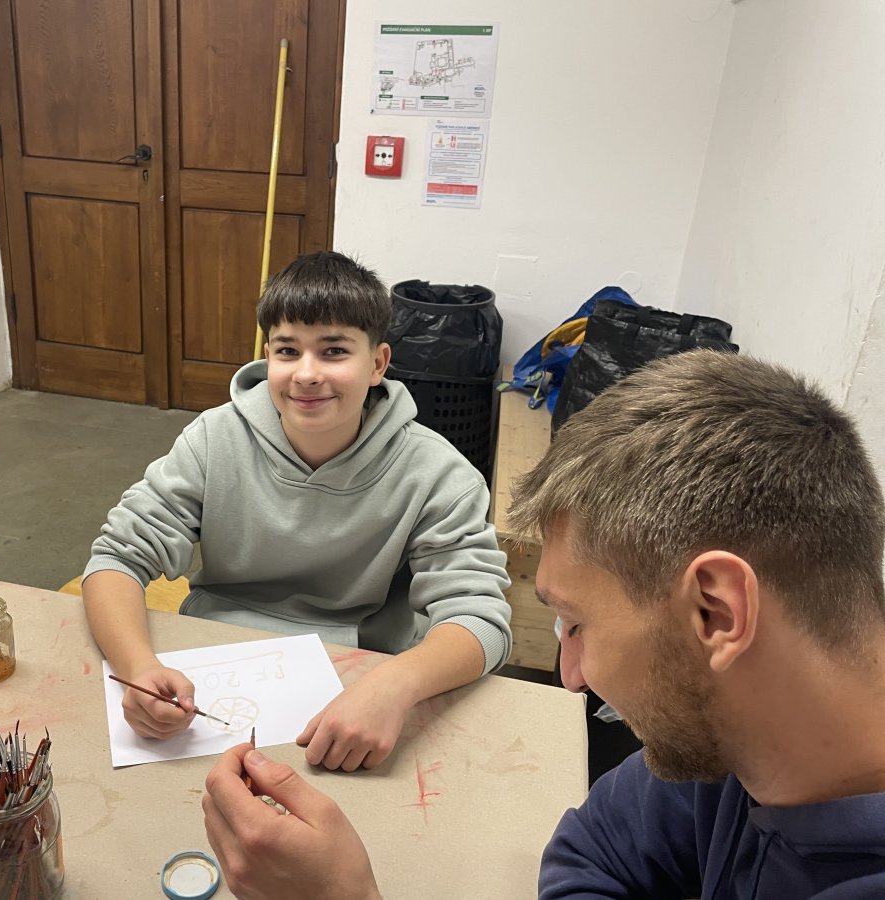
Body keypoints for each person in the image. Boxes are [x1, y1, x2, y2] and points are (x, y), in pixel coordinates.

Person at [202, 349, 885, 899]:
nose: (571, 676)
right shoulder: (734, 736)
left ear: (718, 611)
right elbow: (594, 853)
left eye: (577, 625)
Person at [83, 250, 512, 772]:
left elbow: (479, 620)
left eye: (334, 351)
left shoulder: (438, 474)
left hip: (363, 671)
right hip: (220, 661)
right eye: (288, 351)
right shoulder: (214, 439)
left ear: (377, 363)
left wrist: (394, 685)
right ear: (268, 356)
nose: (307, 374)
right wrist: (136, 668)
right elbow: (117, 557)